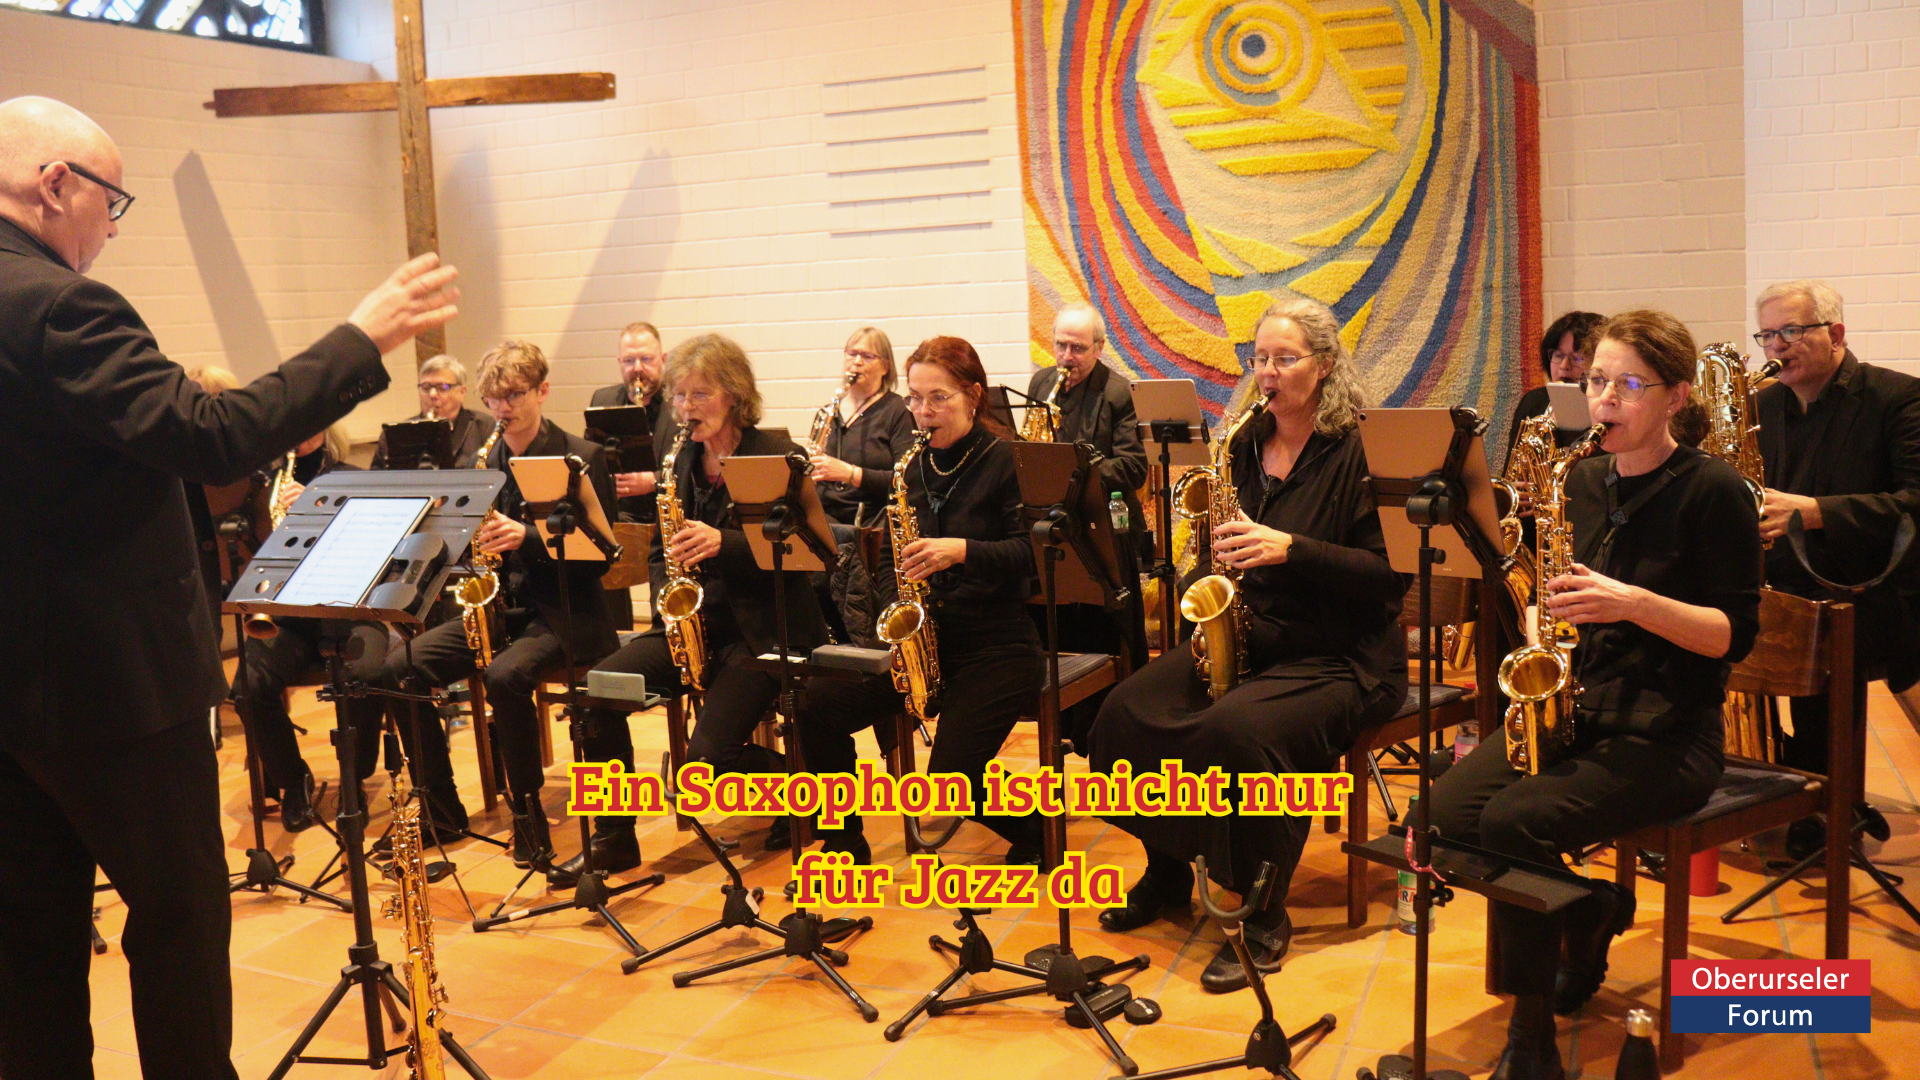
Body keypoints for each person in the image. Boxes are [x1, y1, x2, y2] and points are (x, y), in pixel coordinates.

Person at [0, 96, 456, 1080]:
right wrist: (357, 339)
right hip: (115, 694)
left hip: (11, 696)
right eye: (109, 203)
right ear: (55, 186)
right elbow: (211, 435)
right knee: (177, 930)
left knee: (27, 952)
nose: (110, 232)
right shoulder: (56, 306)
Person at [1426, 309, 1762, 1080]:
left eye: (1627, 385)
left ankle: (1532, 1032)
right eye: (1596, 381)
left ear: (1675, 397)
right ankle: (1588, 909)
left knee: (1515, 823)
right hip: (1577, 708)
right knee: (1441, 817)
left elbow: (1730, 636)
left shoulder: (1714, 492)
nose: (1603, 400)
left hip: (1671, 732)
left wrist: (1633, 603)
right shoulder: (1580, 478)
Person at [1088, 297, 1406, 994]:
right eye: (1259, 358)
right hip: (1258, 634)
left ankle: (1263, 916)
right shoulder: (1241, 442)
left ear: (1323, 367)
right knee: (1126, 710)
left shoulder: (1366, 449)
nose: (1267, 373)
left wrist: (1291, 549)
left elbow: (1389, 578)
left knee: (1239, 731)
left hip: (1343, 652)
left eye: (1284, 359)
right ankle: (1168, 867)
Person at [568, 334, 830, 875]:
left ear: (734, 395)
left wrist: (722, 543)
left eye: (700, 395)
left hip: (765, 630)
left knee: (704, 767)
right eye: (680, 397)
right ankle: (614, 835)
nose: (687, 409)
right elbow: (666, 548)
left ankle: (814, 788)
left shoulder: (773, 456)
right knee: (596, 693)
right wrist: (673, 598)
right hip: (698, 623)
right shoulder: (682, 462)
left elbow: (808, 553)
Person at [796, 335, 1047, 865]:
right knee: (815, 707)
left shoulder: (1007, 462)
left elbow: (1034, 554)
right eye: (914, 398)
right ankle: (845, 842)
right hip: (928, 642)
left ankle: (1038, 830)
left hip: (997, 645)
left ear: (973, 396)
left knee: (951, 784)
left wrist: (963, 551)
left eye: (938, 399)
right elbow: (894, 552)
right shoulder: (914, 466)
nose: (922, 412)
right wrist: (898, 605)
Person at [371, 340, 620, 870]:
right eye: (494, 399)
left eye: (513, 396)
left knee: (506, 676)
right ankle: (441, 807)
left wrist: (525, 535)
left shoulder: (583, 457)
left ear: (542, 391)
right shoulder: (483, 460)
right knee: (399, 668)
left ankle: (527, 815)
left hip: (566, 611)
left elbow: (598, 557)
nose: (503, 409)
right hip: (500, 610)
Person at [1748, 280, 1920, 856]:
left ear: (1836, 334)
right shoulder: (1762, 405)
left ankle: (1827, 803)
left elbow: (1915, 504)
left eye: (1792, 331)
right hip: (1790, 587)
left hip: (1877, 587)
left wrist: (1816, 513)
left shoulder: (1898, 399)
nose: (1778, 346)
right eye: (1768, 334)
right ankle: (1796, 793)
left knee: (1828, 648)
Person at [230, 426, 401, 835]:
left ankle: (353, 780)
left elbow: (376, 548)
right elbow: (249, 550)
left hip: (352, 608)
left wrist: (322, 512)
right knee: (248, 688)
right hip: (290, 615)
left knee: (366, 676)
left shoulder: (352, 477)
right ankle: (294, 782)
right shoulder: (263, 484)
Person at [1026, 303, 1150, 675]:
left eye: (1077, 348)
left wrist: (1077, 472)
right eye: (1060, 345)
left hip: (1106, 522)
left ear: (1098, 348)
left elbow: (1133, 467)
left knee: (1109, 624)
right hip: (1054, 517)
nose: (1066, 358)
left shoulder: (1118, 393)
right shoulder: (1041, 384)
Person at [808, 326, 917, 528]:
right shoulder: (827, 412)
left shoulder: (897, 410)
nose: (857, 362)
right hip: (824, 516)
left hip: (872, 520)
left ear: (885, 366)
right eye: (852, 354)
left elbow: (907, 479)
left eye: (867, 356)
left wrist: (851, 474)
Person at [589, 320, 676, 523]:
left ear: (663, 359)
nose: (637, 368)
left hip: (663, 517)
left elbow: (692, 465)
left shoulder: (679, 402)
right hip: (617, 514)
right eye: (629, 360)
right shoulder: (603, 399)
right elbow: (594, 459)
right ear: (619, 361)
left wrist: (654, 481)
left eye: (646, 359)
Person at [1506, 311, 1605, 461]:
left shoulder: (1608, 410)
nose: (1564, 366)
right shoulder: (1533, 401)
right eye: (1558, 355)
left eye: (1577, 358)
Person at [370, 353, 493, 469]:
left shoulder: (484, 427)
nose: (432, 394)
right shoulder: (395, 435)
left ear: (462, 392)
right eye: (426, 387)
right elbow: (375, 484)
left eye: (443, 387)